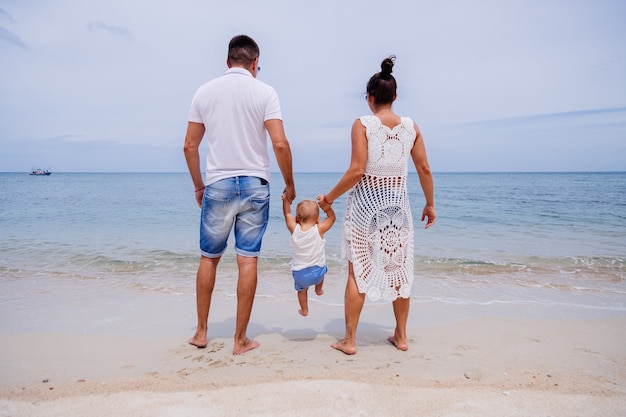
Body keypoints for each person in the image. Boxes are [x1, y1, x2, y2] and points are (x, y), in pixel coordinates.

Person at [183, 34, 295, 355]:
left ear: (228, 62)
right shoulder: (266, 92)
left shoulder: (204, 92)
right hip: (255, 185)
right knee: (247, 262)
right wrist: (290, 183)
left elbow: (190, 146)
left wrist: (198, 186)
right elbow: (280, 144)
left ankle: (202, 333)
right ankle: (239, 340)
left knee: (209, 259)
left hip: (217, 184)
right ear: (255, 63)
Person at [317, 55, 436, 355]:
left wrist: (329, 198)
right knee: (400, 273)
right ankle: (401, 336)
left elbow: (357, 170)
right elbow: (424, 169)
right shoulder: (411, 127)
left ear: (369, 98)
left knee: (357, 273)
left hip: (364, 210)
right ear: (395, 96)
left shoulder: (363, 124)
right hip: (397, 211)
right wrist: (430, 204)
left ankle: (350, 340)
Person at [282, 197, 336, 316]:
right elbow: (332, 218)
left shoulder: (294, 229)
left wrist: (286, 200)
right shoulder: (319, 229)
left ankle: (304, 310)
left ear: (297, 219)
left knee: (302, 291)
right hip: (318, 273)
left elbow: (287, 214)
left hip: (300, 274)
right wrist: (327, 207)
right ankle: (318, 289)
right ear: (317, 219)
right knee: (323, 267)